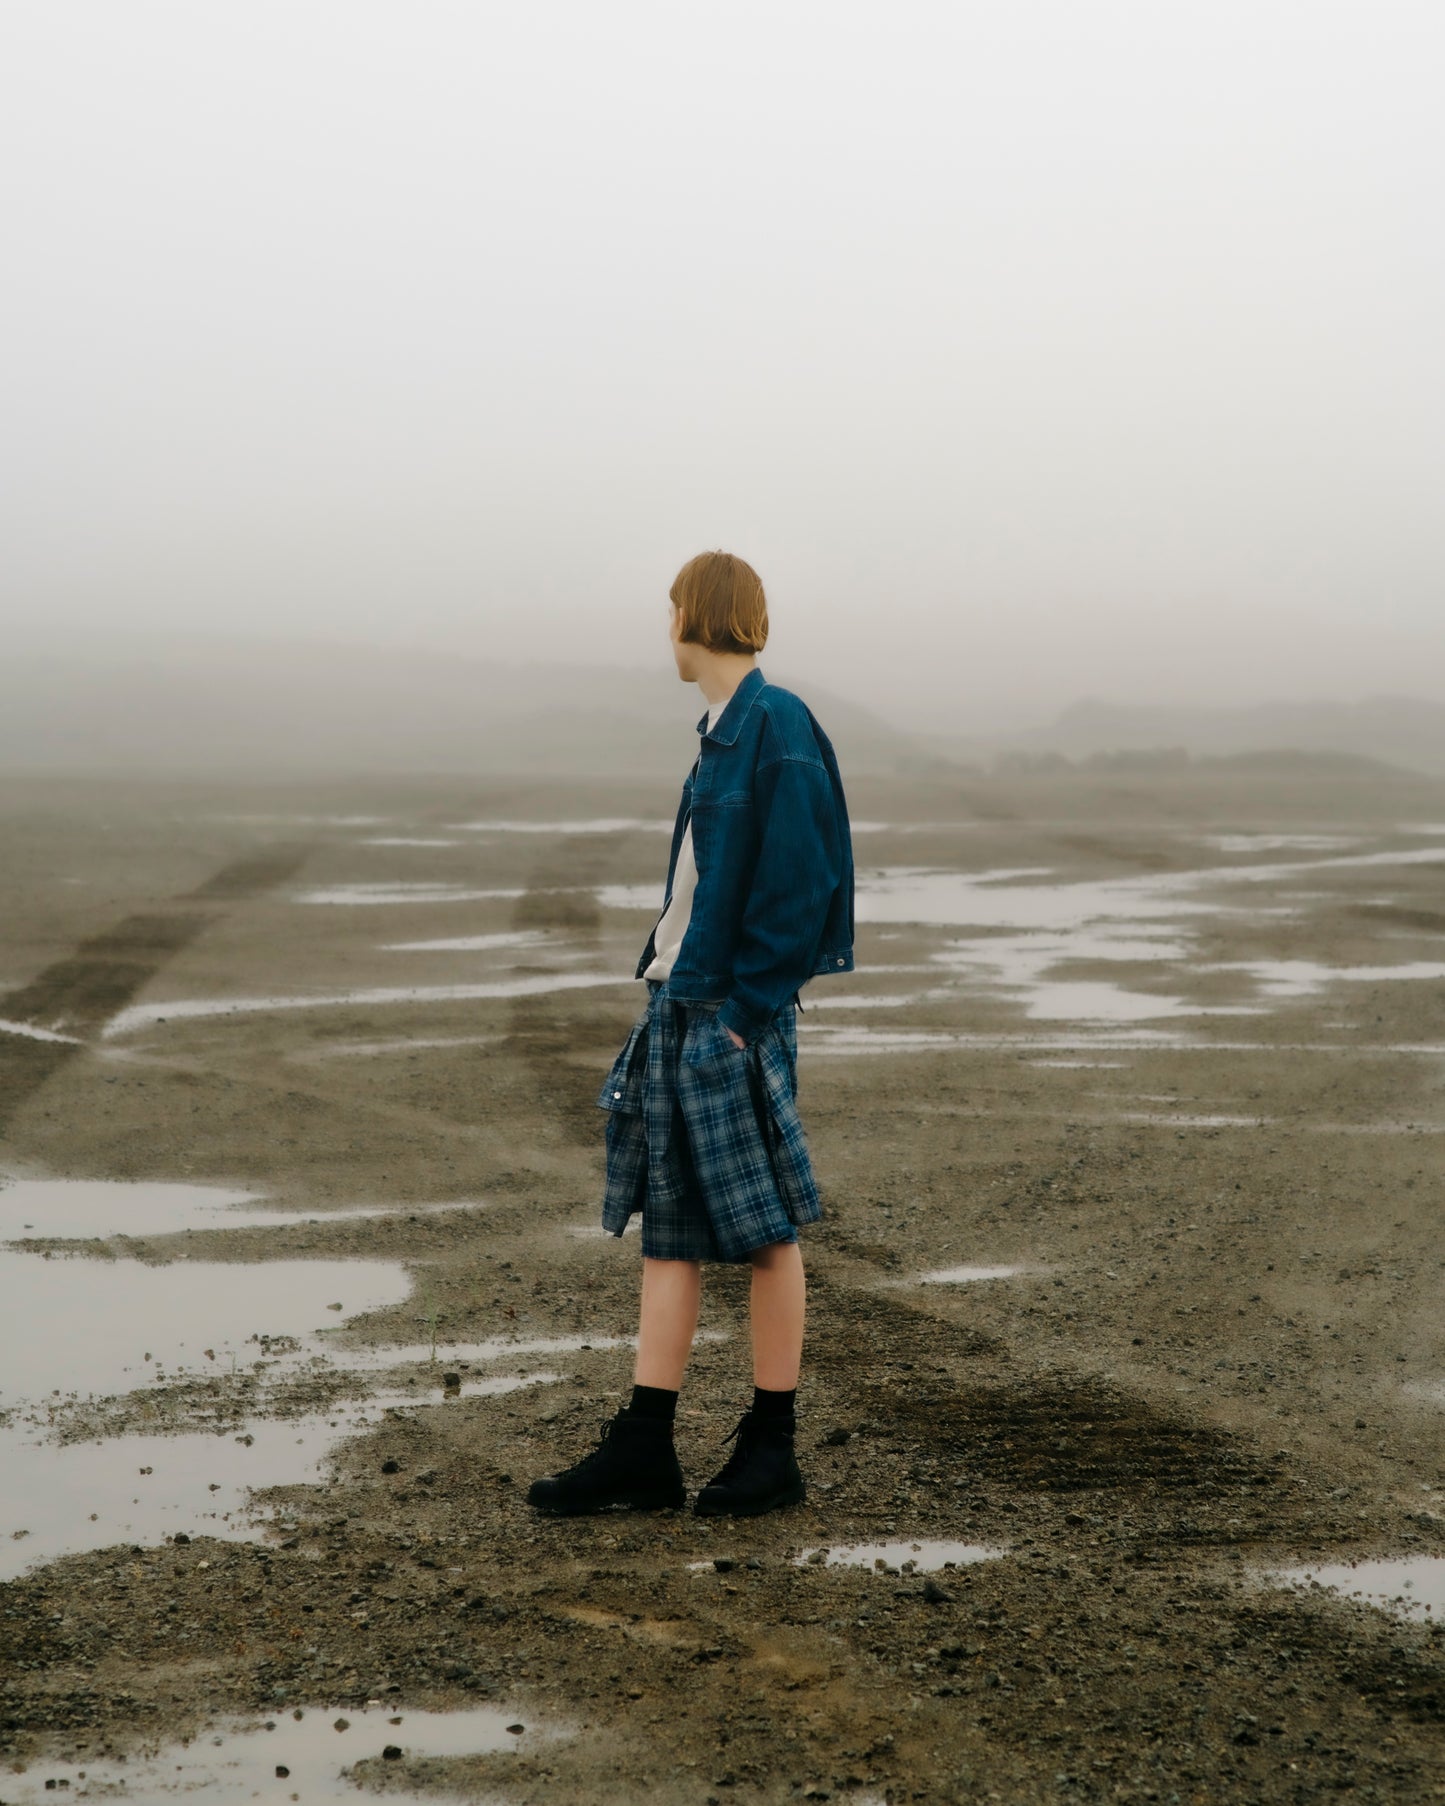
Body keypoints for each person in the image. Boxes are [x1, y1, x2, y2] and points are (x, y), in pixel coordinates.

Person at [527, 549, 855, 1519]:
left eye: (671, 607)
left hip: (728, 1013)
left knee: (762, 1231)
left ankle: (771, 1446)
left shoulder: (777, 725)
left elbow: (800, 888)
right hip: (679, 1000)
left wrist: (747, 1019)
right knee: (669, 1232)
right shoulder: (718, 730)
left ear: (698, 615)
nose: (663, 624)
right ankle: (644, 1443)